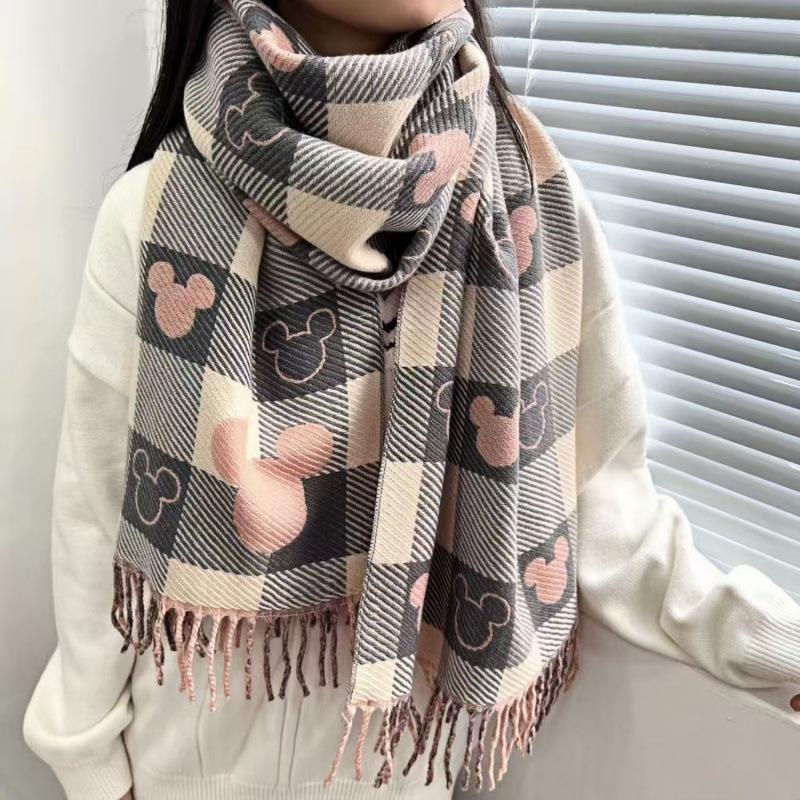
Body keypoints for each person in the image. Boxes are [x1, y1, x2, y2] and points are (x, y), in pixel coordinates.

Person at [23, 1, 800, 799]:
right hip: (178, 771)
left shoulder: (529, 211)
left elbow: (602, 512)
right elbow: (96, 521)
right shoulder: (157, 213)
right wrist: (91, 770)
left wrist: (770, 646)